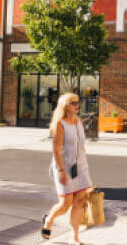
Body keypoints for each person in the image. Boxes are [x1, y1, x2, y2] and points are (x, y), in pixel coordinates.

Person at [42, 93, 91, 245]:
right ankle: (49, 220)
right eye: (73, 103)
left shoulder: (79, 122)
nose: (77, 105)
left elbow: (81, 145)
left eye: (78, 102)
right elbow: (56, 150)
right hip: (64, 167)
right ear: (65, 106)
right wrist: (61, 171)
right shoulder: (60, 124)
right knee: (65, 204)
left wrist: (86, 173)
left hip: (81, 167)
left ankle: (74, 237)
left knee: (80, 201)